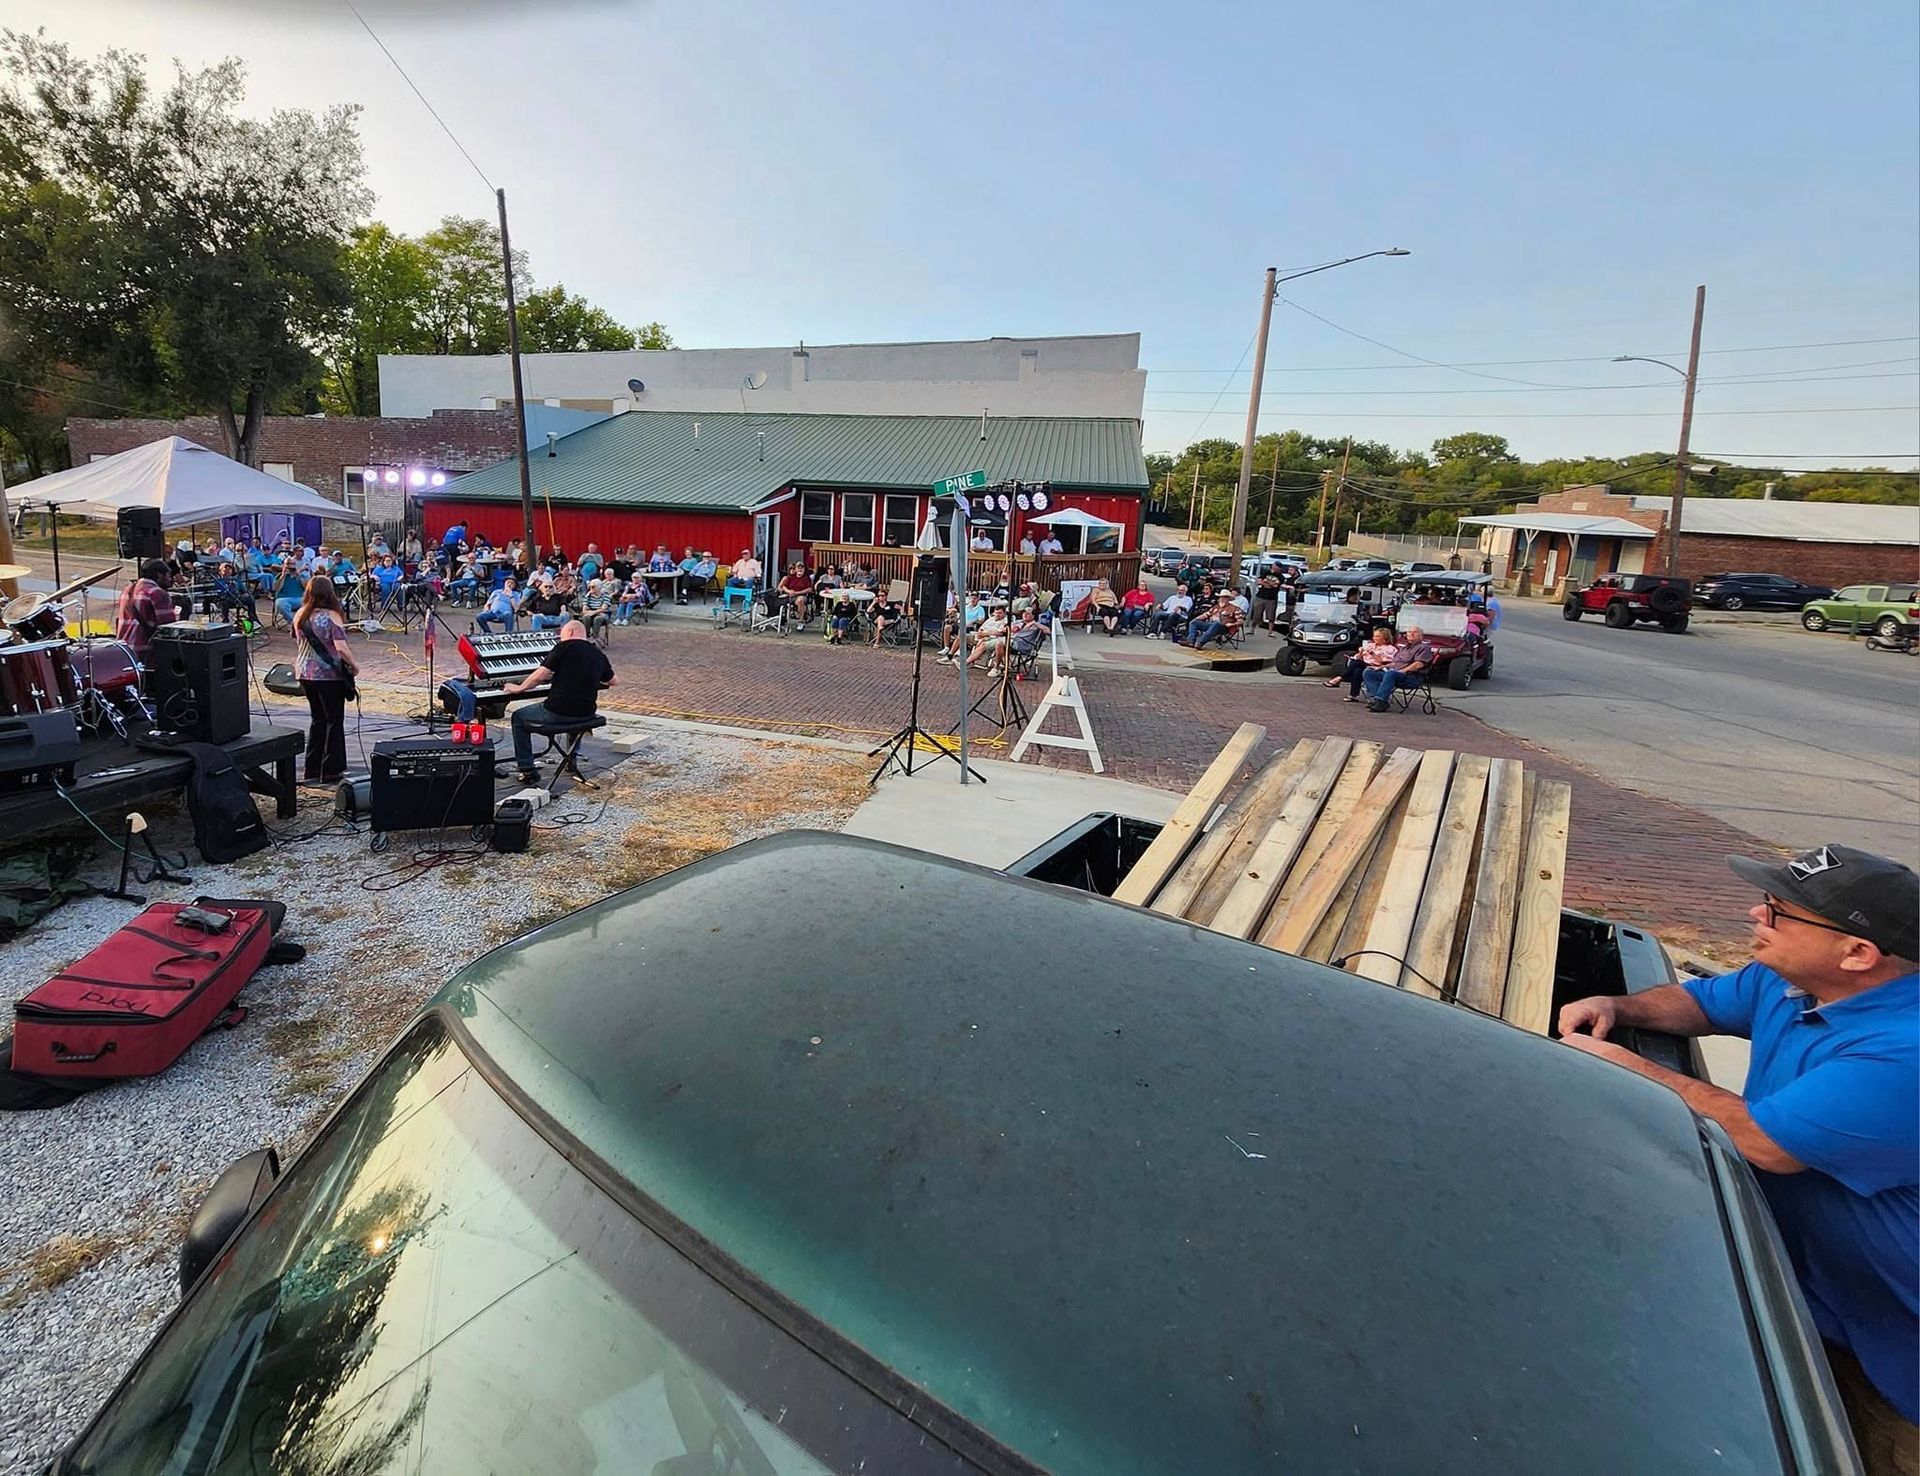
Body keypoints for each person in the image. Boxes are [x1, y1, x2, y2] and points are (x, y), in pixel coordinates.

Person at [1558, 845, 1918, 1470]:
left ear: (1858, 953)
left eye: (1780, 911)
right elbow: (1700, 1004)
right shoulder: (1793, 979)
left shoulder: (1903, 1055)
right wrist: (1622, 1008)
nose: (1756, 914)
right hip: (1815, 1299)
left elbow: (1767, 1144)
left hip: (1900, 1346)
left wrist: (1631, 1070)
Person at [502, 619, 615, 787]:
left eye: (561, 635)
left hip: (558, 712)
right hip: (586, 713)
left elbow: (539, 676)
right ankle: (571, 760)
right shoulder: (597, 653)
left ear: (569, 633)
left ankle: (527, 769)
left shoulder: (563, 647)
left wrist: (518, 688)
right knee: (574, 714)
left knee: (519, 717)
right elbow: (614, 681)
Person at [291, 573, 357, 786]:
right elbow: (341, 648)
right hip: (328, 674)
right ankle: (331, 770)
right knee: (334, 721)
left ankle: (312, 769)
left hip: (304, 671)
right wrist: (354, 667)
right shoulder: (332, 616)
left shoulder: (300, 614)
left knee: (317, 719)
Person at [114, 559, 179, 665]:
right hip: (145, 653)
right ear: (159, 574)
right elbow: (168, 630)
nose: (170, 579)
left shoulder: (127, 590)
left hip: (125, 652)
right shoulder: (157, 593)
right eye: (168, 575)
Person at [1360, 624, 1435, 710]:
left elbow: (1418, 664)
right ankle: (1374, 699)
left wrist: (1402, 671)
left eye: (1415, 632)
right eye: (1409, 632)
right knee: (1369, 672)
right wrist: (1382, 667)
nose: (1411, 634)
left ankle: (1382, 701)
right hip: (1393, 674)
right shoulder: (1404, 648)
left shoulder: (1424, 648)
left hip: (1411, 677)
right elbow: (1394, 663)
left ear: (1421, 635)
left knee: (1390, 673)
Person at [1325, 625, 1397, 701]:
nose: (1374, 638)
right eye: (1374, 636)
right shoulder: (1371, 645)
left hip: (1377, 668)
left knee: (1357, 664)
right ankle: (1353, 695)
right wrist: (1361, 652)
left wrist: (1373, 654)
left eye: (1378, 636)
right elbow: (1357, 657)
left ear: (1385, 638)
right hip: (1364, 665)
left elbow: (1384, 662)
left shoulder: (1390, 649)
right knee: (1357, 670)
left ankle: (1340, 679)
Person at [207, 559, 259, 628]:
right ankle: (225, 621)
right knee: (224, 602)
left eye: (229, 569)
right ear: (220, 571)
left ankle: (254, 620)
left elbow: (244, 590)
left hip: (236, 598)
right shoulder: (216, 581)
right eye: (225, 569)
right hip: (222, 600)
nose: (227, 571)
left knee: (250, 598)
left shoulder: (235, 580)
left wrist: (246, 594)